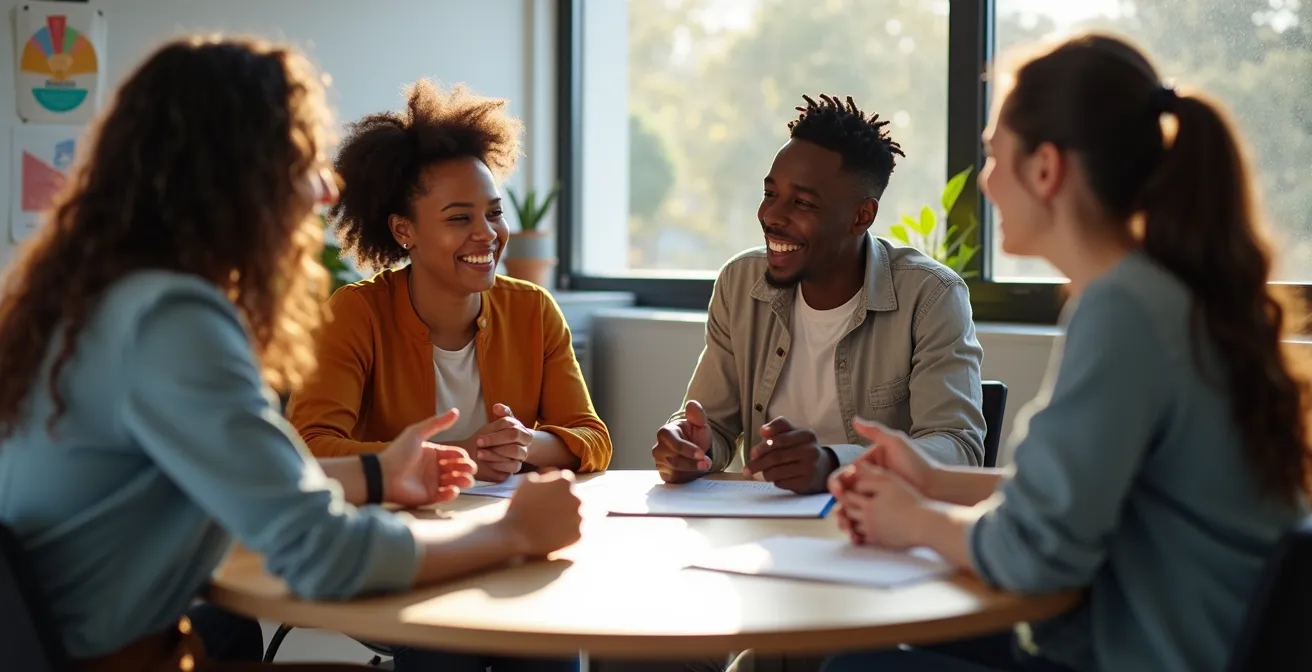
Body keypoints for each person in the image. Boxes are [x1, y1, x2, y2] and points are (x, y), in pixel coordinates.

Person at [0, 36, 584, 672]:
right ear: (236, 177)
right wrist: (510, 533)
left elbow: (233, 477)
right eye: (300, 160)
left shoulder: (99, 297)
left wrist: (380, 475)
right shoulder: (172, 321)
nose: (321, 192)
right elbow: (321, 553)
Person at [825, 33, 1312, 672]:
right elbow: (1084, 497)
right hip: (1175, 637)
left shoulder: (1125, 311)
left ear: (1047, 168)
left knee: (858, 669)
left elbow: (1034, 556)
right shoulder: (1173, 292)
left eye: (995, 158)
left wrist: (915, 521)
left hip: (1148, 654)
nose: (988, 185)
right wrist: (937, 480)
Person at [283, 80, 605, 671]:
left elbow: (591, 437)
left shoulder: (533, 309)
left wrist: (523, 444)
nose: (488, 234)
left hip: (513, 547)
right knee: (444, 645)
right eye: (460, 218)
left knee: (549, 640)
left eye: (494, 213)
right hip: (409, 553)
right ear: (404, 229)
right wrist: (459, 457)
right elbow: (311, 449)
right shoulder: (355, 314)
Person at [651, 93, 986, 494]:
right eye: (770, 194)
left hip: (875, 527)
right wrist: (691, 444)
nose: (771, 216)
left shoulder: (931, 296)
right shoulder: (739, 284)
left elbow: (957, 448)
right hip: (760, 528)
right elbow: (715, 427)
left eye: (803, 202)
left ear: (862, 216)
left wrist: (833, 464)